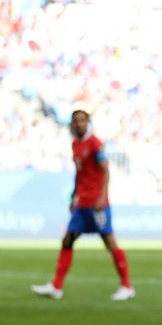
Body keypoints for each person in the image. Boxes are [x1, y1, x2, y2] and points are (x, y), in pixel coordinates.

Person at [32, 110, 135, 301]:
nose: (79, 124)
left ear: (88, 123)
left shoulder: (95, 144)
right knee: (67, 240)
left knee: (110, 242)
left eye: (83, 120)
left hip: (97, 204)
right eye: (76, 121)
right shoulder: (75, 145)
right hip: (82, 204)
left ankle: (127, 286)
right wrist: (74, 196)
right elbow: (80, 174)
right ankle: (56, 286)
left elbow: (105, 170)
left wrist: (103, 196)